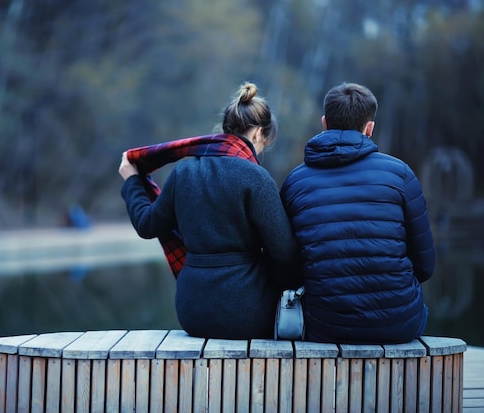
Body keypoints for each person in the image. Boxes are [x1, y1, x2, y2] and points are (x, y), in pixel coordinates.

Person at [118, 82, 299, 340]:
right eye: (263, 143)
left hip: (192, 313)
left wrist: (132, 182)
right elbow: (285, 252)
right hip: (248, 314)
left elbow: (147, 225)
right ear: (259, 134)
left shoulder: (183, 172)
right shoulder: (256, 178)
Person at [280, 82, 435, 344]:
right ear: (370, 128)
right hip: (399, 323)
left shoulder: (295, 181)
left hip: (324, 325)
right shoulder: (401, 174)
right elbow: (425, 265)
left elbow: (287, 264)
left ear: (325, 123)